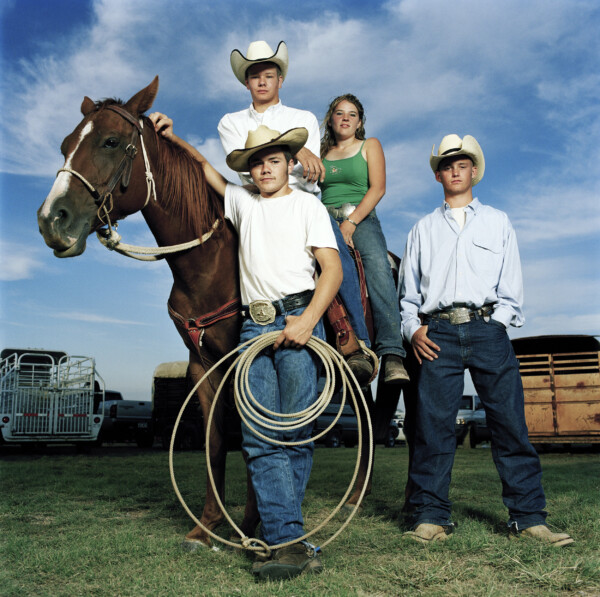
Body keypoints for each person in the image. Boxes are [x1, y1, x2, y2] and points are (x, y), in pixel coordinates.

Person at [150, 113, 342, 579]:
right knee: (260, 435)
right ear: (250, 171)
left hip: (299, 317)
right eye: (256, 165)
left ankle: (282, 539)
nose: (265, 171)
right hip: (255, 330)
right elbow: (205, 173)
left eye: (273, 162)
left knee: (295, 431)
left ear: (289, 164)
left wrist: (309, 320)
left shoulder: (308, 208)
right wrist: (175, 137)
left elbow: (331, 270)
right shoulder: (241, 202)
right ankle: (288, 541)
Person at [398, 134, 573, 547]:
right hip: (436, 333)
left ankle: (529, 518)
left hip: (487, 330)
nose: (455, 170)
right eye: (446, 165)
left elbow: (511, 286)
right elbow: (408, 295)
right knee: (433, 427)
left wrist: (498, 322)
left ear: (473, 170)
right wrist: (413, 329)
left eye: (462, 164)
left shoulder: (497, 221)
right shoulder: (422, 229)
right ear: (438, 174)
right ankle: (430, 517)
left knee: (510, 424)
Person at [218, 40, 376, 383]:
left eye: (269, 75)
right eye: (254, 76)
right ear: (245, 83)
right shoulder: (229, 122)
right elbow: (245, 171)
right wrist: (295, 149)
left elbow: (311, 173)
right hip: (256, 202)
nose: (262, 81)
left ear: (280, 80)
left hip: (300, 204)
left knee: (338, 254)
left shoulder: (303, 117)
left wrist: (300, 154)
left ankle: (357, 340)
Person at [320, 94, 409, 384]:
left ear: (360, 121)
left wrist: (350, 223)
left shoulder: (369, 146)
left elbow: (378, 188)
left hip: (360, 218)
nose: (345, 118)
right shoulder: (321, 154)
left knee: (377, 266)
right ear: (330, 119)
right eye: (339, 113)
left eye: (353, 114)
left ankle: (392, 352)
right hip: (322, 218)